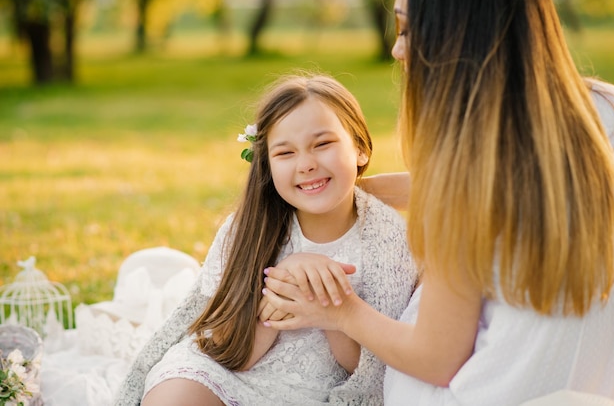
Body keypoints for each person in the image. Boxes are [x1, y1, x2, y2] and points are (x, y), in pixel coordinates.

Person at [261, 0, 614, 405]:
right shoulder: (609, 112)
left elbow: (436, 359)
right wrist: (357, 191)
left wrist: (338, 311)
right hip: (600, 382)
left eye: (407, 29)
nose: (398, 49)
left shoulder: (465, 173)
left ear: (461, 38)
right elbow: (517, 187)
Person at [113, 73, 417, 406]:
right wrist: (280, 291)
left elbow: (369, 371)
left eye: (323, 144)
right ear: (268, 165)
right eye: (285, 153)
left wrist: (328, 301)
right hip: (225, 371)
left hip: (311, 390)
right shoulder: (250, 228)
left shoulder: (387, 239)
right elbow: (226, 350)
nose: (306, 164)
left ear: (359, 148)